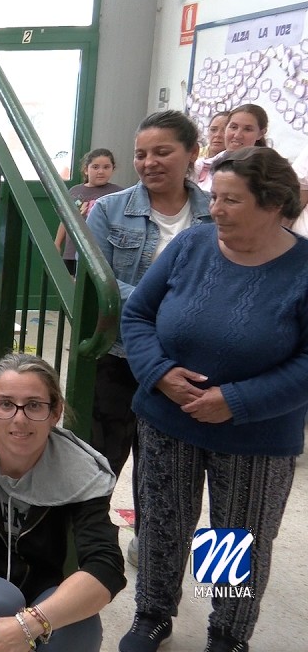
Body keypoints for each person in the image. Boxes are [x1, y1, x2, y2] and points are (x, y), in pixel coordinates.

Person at [118, 146, 308, 652]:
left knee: (232, 537)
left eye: (231, 200)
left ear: (272, 204)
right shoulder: (192, 244)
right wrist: (159, 374)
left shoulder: (304, 270)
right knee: (162, 522)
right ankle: (153, 616)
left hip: (254, 435)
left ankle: (226, 633)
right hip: (166, 416)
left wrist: (237, 400)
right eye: (216, 197)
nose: (215, 209)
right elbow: (137, 315)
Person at [0, 353, 125, 652]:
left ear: (55, 412)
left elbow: (105, 566)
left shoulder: (79, 469)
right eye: (6, 404)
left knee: (80, 629)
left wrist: (27, 626)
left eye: (34, 405)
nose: (19, 418)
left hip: (39, 597)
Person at [85, 111, 213, 482]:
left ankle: (150, 540)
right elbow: (99, 282)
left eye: (162, 152)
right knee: (100, 463)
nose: (149, 163)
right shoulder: (110, 209)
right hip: (120, 352)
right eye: (141, 154)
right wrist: (167, 306)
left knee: (164, 475)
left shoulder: (216, 212)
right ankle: (91, 538)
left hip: (185, 361)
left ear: (192, 153)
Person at [53, 148, 124, 274]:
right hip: (73, 251)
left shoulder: (118, 193)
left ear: (113, 169)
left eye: (106, 167)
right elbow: (65, 220)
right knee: (72, 287)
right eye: (95, 167)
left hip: (102, 254)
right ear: (86, 169)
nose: (101, 171)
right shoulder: (75, 192)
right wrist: (57, 243)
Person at [192, 110, 230, 191]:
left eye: (224, 130)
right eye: (213, 130)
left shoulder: (234, 162)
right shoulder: (194, 155)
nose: (217, 135)